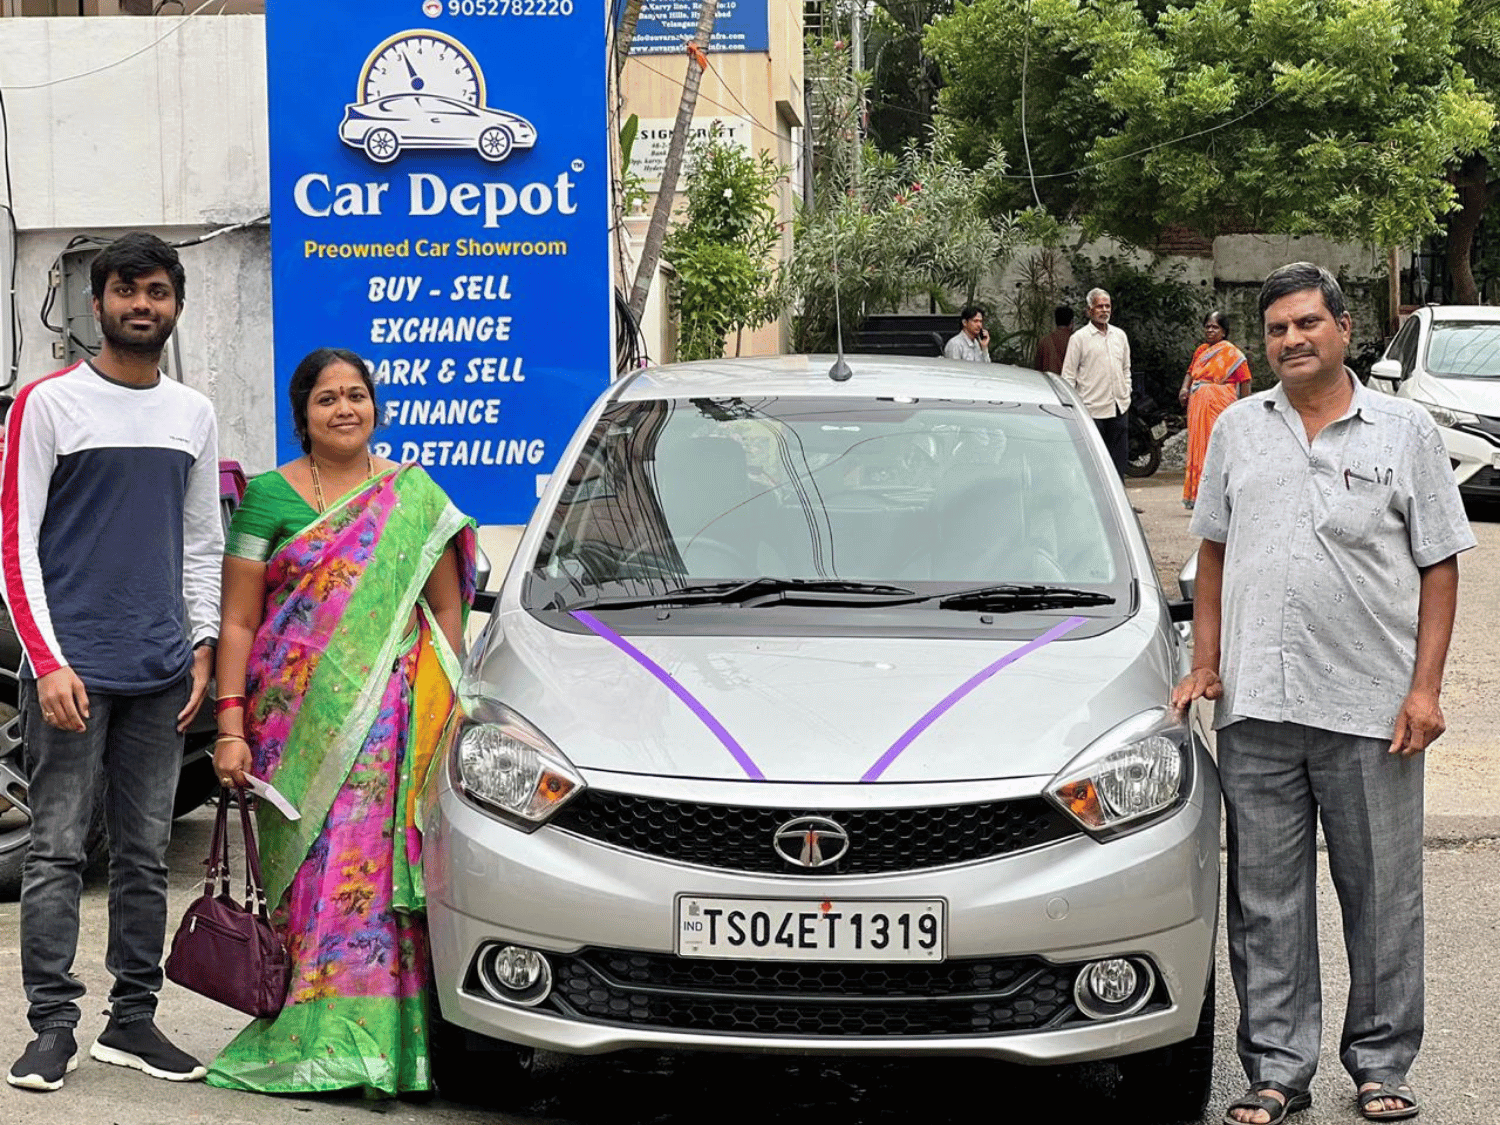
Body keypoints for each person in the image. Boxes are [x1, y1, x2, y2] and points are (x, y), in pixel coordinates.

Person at [1172, 262, 1475, 1125]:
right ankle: (1276, 1067)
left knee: (1382, 897)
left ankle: (1381, 1062)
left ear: (1345, 328)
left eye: (1307, 322)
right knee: (1264, 901)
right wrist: (1205, 659)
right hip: (1258, 707)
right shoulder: (1238, 429)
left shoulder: (1405, 431)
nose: (1291, 339)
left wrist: (1425, 690)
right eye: (1276, 329)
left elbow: (1440, 563)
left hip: (1372, 710)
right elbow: (1213, 554)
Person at [206, 347, 475, 1097]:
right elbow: (238, 620)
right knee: (310, 878)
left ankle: (389, 1048)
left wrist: (442, 706)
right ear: (303, 415)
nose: (345, 409)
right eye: (327, 398)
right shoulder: (268, 498)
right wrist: (231, 725)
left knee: (382, 880)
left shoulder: (412, 495)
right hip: (292, 727)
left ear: (375, 407)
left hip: (393, 726)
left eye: (357, 394)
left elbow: (446, 610)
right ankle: (310, 1036)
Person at [1, 233, 221, 1091]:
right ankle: (52, 1026)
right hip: (71, 673)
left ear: (176, 305)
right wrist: (47, 660)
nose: (142, 304)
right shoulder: (48, 404)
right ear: (96, 305)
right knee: (57, 851)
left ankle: (132, 1020)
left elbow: (201, 541)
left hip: (161, 671)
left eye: (157, 291)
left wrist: (201, 644)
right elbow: (15, 545)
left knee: (143, 854)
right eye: (126, 290)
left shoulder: (191, 413)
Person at [1178, 310, 1252, 510]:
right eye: (1208, 327)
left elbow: (1245, 380)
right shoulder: (1201, 351)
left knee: (1216, 446)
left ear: (1224, 331)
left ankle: (1219, 496)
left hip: (1220, 404)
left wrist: (1244, 407)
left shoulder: (1232, 353)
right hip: (1198, 404)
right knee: (1198, 447)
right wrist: (1184, 388)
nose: (1210, 330)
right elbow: (1190, 372)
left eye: (1215, 327)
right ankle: (1197, 496)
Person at [1059, 288, 1132, 476]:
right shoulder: (1079, 339)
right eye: (1100, 306)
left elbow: (1126, 368)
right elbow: (1068, 376)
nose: (1104, 310)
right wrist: (1074, 407)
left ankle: (1119, 495)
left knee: (1119, 462)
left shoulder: (1120, 336)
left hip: (1119, 408)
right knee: (1094, 463)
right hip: (1092, 410)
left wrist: (1126, 391)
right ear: (1089, 310)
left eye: (1108, 306)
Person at [1034, 304, 1075, 374]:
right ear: (1071, 323)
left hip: (1047, 380)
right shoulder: (1075, 341)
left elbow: (1037, 369)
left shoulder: (1044, 341)